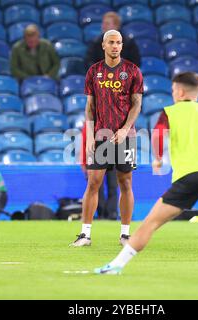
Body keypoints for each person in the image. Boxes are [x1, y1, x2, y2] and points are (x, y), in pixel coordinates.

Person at [94, 72, 198, 275]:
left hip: (189, 176)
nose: (173, 94)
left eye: (173, 90)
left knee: (152, 221)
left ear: (180, 92)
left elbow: (157, 135)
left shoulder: (170, 112)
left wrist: (159, 157)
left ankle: (117, 265)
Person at [70, 30, 144, 247]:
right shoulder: (94, 72)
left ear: (122, 45)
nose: (115, 46)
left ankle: (126, 234)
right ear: (103, 45)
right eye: (111, 42)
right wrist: (91, 133)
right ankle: (85, 235)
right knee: (93, 183)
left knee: (126, 182)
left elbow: (137, 104)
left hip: (125, 135)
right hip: (101, 134)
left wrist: (125, 129)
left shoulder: (132, 71)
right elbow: (90, 107)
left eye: (119, 42)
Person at [81, 125, 118, 220]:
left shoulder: (113, 119)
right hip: (95, 155)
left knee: (113, 185)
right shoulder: (89, 123)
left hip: (113, 155)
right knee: (96, 187)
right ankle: (101, 213)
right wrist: (84, 162)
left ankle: (112, 213)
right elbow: (85, 142)